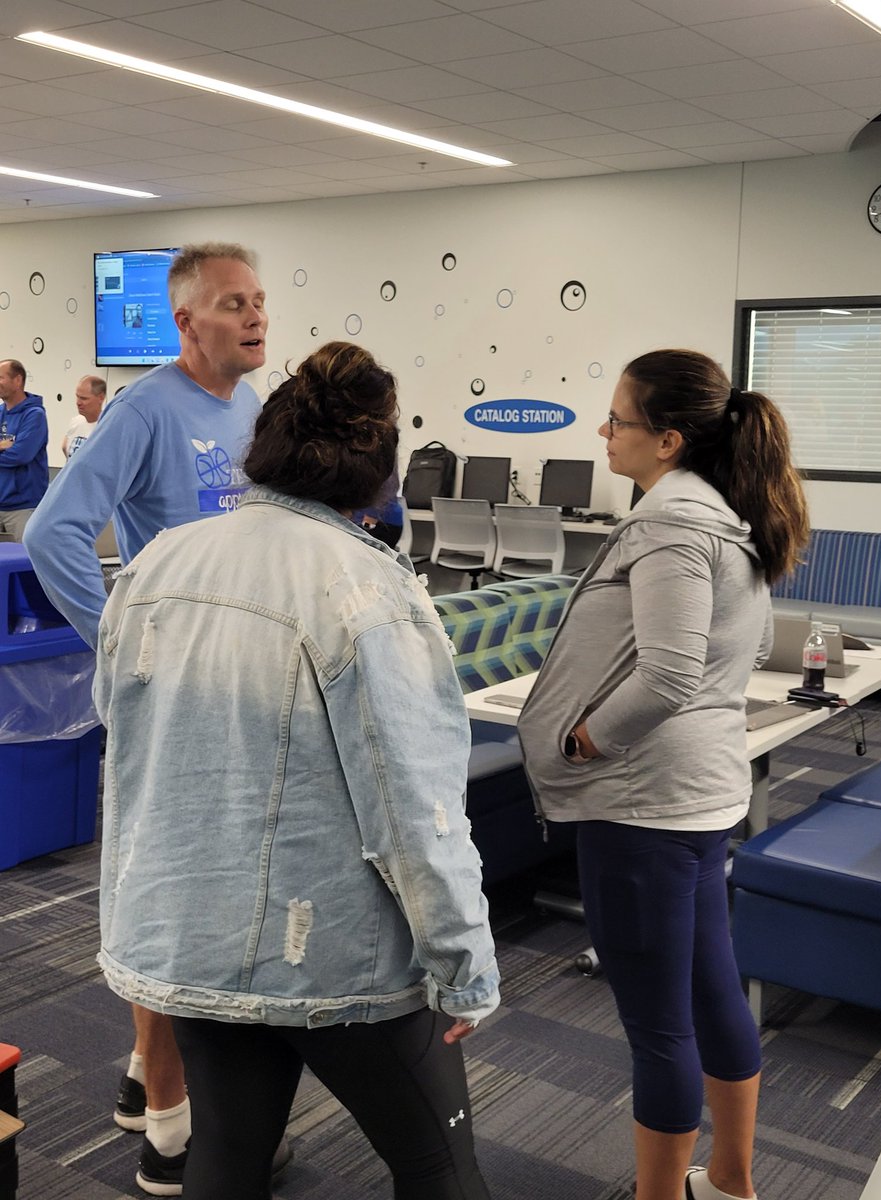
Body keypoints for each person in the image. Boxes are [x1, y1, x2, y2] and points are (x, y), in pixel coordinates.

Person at [93, 340, 500, 1200]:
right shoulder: (372, 591)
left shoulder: (155, 563)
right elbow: (415, 806)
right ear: (375, 466)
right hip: (336, 960)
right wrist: (464, 962)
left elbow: (121, 727)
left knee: (227, 1159)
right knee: (439, 1168)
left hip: (188, 934)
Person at [518, 349, 809, 1200]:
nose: (603, 432)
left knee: (658, 1027)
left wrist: (583, 743)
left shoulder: (673, 526)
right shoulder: (725, 515)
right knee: (711, 990)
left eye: (619, 419)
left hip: (643, 800)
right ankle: (729, 1181)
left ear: (670, 440)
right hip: (696, 792)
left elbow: (670, 674)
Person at [25, 242, 270, 1196]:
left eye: (258, 300)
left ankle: (142, 1079)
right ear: (186, 322)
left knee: (192, 896)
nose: (253, 317)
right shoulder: (144, 409)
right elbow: (53, 534)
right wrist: (126, 639)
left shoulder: (248, 404)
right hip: (170, 697)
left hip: (229, 690)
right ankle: (168, 1134)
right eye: (230, 304)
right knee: (171, 907)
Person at [0, 358, 49, 540]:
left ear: (18, 380)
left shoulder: (34, 415)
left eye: (1, 378)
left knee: (24, 562)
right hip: (1, 502)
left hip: (23, 507)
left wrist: (6, 449)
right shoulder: (0, 413)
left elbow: (21, 455)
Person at [62, 375, 106, 458]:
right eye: (77, 397)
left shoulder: (107, 426)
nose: (78, 402)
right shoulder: (76, 421)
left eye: (84, 398)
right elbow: (64, 447)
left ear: (100, 398)